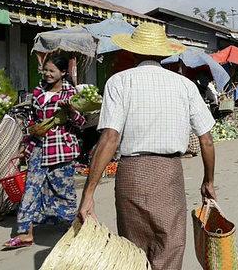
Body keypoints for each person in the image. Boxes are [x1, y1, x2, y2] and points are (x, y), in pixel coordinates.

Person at [76, 23, 217, 270]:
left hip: (131, 173)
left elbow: (110, 138)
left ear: (133, 52)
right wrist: (208, 182)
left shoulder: (119, 82)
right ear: (164, 53)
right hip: (169, 173)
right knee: (170, 244)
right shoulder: (184, 85)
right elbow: (206, 139)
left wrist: (88, 195)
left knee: (134, 248)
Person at [3, 54, 85, 249]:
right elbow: (32, 116)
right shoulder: (39, 90)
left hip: (61, 150)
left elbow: (81, 123)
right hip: (38, 148)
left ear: (63, 73)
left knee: (63, 192)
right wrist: (31, 132)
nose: (47, 74)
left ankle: (75, 229)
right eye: (45, 70)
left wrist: (72, 111)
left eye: (51, 71)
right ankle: (25, 234)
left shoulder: (71, 93)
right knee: (30, 191)